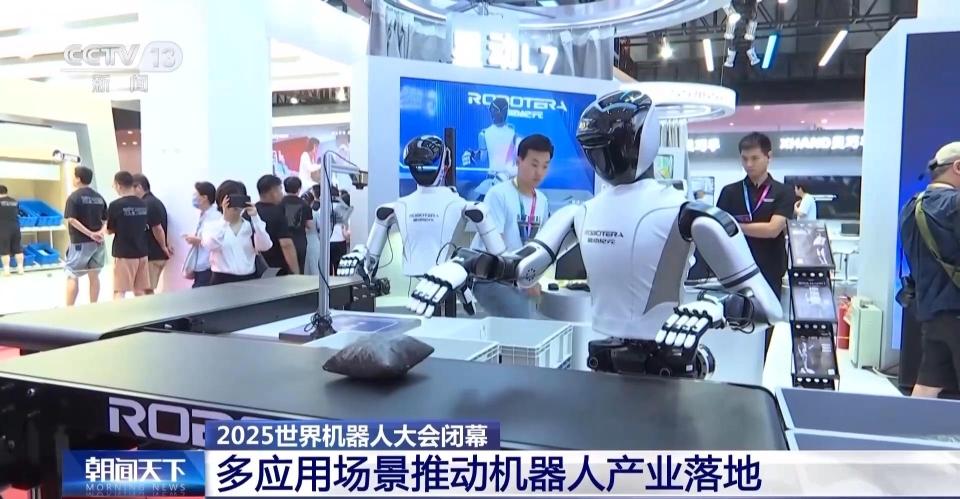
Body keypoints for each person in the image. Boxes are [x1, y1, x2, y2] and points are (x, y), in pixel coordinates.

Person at [899, 142, 960, 398]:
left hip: (930, 313)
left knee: (927, 386)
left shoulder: (911, 207)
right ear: (958, 167)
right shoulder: (954, 204)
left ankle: (911, 426)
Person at [469, 134, 553, 319]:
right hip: (489, 277)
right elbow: (495, 248)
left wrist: (529, 279)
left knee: (548, 315)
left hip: (517, 279)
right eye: (534, 164)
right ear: (518, 161)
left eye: (545, 166)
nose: (539, 172)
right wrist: (522, 280)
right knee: (525, 319)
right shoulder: (498, 194)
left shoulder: (542, 201)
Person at [716, 133, 794, 301]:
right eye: (744, 159)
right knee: (736, 315)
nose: (749, 164)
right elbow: (718, 230)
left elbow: (773, 229)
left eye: (755, 158)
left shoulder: (784, 192)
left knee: (769, 315)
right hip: (736, 268)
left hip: (770, 268)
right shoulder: (729, 192)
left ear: (768, 157)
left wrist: (734, 226)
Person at [202, 180, 272, 285]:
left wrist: (255, 217)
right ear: (221, 201)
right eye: (230, 199)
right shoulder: (212, 226)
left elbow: (265, 246)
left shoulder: (250, 226)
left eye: (238, 198)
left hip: (249, 279)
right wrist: (225, 221)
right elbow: (210, 245)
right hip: (221, 280)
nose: (234, 203)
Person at [63, 166, 108, 306]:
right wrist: (100, 233)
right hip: (98, 243)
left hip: (80, 243)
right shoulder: (99, 197)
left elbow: (71, 219)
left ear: (78, 179)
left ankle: (69, 309)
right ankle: (93, 306)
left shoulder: (74, 197)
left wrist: (90, 234)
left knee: (71, 274)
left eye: (74, 176)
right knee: (94, 275)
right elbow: (106, 220)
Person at [107, 171, 150, 299]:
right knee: (140, 291)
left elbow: (110, 229)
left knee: (119, 291)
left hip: (124, 253)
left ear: (118, 185)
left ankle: (118, 312)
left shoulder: (115, 205)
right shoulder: (143, 203)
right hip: (142, 252)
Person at [132, 174, 173, 294]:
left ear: (139, 187)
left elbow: (157, 228)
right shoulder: (155, 202)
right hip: (155, 253)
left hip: (152, 254)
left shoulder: (148, 204)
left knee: (143, 290)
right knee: (146, 289)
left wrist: (164, 247)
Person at [256, 175, 300, 275]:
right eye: (280, 189)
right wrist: (295, 272)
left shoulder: (249, 213)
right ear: (273, 192)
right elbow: (286, 244)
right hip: (276, 269)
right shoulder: (278, 213)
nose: (282, 193)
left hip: (256, 269)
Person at [183, 181, 221, 287]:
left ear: (204, 198)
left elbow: (215, 240)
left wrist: (198, 240)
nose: (194, 198)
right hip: (201, 264)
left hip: (208, 265)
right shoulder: (204, 215)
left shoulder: (214, 216)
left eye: (196, 195)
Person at [281, 176, 313, 274]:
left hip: (281, 240)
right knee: (299, 269)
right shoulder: (305, 205)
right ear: (299, 189)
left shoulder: (279, 203)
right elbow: (310, 225)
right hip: (299, 241)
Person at [0, 185, 24, 276]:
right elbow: (17, 212)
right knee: (18, 249)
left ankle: (7, 270)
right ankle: (20, 269)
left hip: (3, 228)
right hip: (15, 227)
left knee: (4, 250)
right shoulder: (14, 201)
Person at [330, 188, 351, 274]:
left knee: (327, 269)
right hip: (341, 241)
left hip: (327, 242)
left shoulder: (323, 208)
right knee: (339, 268)